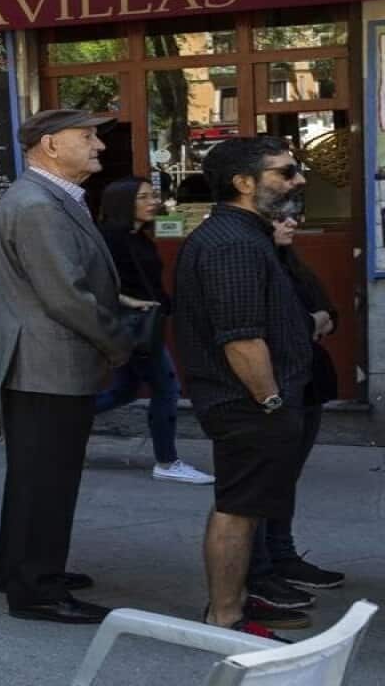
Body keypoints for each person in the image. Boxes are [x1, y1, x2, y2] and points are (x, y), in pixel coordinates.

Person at [0, 110, 132, 624]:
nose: (98, 146)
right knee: (45, 479)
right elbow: (65, 296)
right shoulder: (37, 204)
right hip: (46, 363)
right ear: (49, 145)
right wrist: (118, 341)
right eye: (86, 136)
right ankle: (37, 590)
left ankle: (23, 569)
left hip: (44, 361)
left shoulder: (48, 198)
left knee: (37, 477)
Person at [174, 136, 312, 641]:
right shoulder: (231, 242)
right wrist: (271, 400)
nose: (297, 180)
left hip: (253, 402)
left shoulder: (248, 234)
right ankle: (225, 619)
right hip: (247, 404)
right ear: (244, 183)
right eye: (285, 172)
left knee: (246, 508)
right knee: (237, 511)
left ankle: (234, 603)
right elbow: (241, 338)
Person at [241, 207, 346, 628]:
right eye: (280, 218)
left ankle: (283, 555)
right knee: (265, 483)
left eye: (294, 217)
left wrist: (315, 321)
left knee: (286, 480)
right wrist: (308, 322)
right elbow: (270, 327)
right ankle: (261, 569)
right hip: (274, 387)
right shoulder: (247, 261)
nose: (291, 224)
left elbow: (329, 314)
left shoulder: (292, 265)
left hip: (307, 384)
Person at [94, 177, 213, 485]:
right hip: (130, 324)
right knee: (167, 388)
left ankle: (61, 425)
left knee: (125, 390)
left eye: (153, 195)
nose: (153, 202)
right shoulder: (109, 238)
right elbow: (88, 280)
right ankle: (167, 460)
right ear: (124, 203)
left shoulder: (139, 237)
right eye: (144, 197)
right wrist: (126, 300)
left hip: (147, 323)